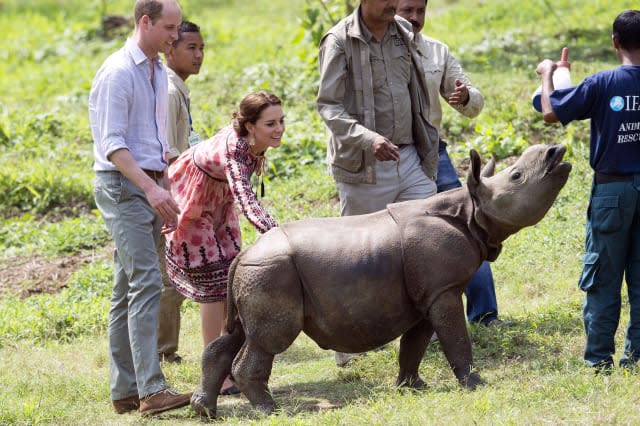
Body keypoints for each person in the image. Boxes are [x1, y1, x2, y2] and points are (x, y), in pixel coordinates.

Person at [316, 0, 440, 366]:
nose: (393, 3)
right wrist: (367, 138)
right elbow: (328, 106)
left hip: (410, 157)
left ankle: (420, 329)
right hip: (365, 165)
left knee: (427, 238)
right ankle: (342, 340)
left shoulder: (403, 32)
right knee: (354, 257)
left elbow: (415, 88)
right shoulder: (339, 40)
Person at [89, 0, 192, 416]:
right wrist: (152, 189)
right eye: (170, 27)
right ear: (145, 22)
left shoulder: (157, 70)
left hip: (148, 182)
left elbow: (153, 138)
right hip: (125, 185)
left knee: (124, 288)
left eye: (178, 27)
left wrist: (168, 177)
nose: (176, 36)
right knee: (147, 282)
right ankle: (152, 389)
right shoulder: (119, 73)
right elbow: (112, 145)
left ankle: (126, 391)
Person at [536, 9, 640, 373]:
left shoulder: (603, 83)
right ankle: (637, 357)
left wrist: (548, 74)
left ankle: (599, 360)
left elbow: (551, 112)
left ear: (615, 42)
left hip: (612, 193)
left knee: (603, 277)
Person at [165, 90, 284, 392]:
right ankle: (214, 372)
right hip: (194, 200)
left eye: (281, 121)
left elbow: (240, 194)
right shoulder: (235, 149)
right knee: (212, 285)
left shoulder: (258, 142)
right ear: (250, 126)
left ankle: (229, 360)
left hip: (220, 202)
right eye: (270, 124)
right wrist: (277, 234)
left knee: (231, 276)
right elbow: (245, 195)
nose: (279, 129)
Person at [396, 0, 505, 327]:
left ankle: (485, 314)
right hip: (388, 154)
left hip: (432, 153)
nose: (415, 19)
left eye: (420, 11)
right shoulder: (373, 53)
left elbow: (474, 102)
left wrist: (466, 97)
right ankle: (411, 324)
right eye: (406, 10)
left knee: (466, 226)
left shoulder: (437, 52)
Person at [157, 20, 205, 365]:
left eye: (202, 48)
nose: (199, 55)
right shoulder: (171, 91)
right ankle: (162, 352)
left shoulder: (177, 88)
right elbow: (169, 153)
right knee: (166, 277)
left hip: (173, 193)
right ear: (169, 49)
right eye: (191, 48)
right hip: (166, 195)